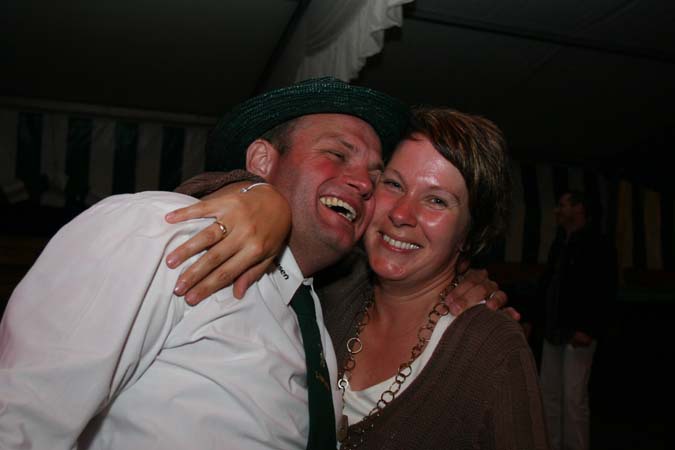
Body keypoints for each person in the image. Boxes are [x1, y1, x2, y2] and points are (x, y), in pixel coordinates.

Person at [0, 78, 500, 449]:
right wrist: (251, 194)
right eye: (337, 154)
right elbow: (21, 416)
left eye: (376, 173)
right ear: (262, 161)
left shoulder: (316, 321)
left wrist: (465, 281)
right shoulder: (164, 231)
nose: (365, 183)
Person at [168, 107, 551, 449]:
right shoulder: (328, 287)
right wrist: (253, 192)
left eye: (437, 200)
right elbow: (181, 218)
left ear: (469, 233)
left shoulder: (492, 348)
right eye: (394, 184)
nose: (401, 214)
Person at [537, 190, 617, 450]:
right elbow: (549, 285)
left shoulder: (597, 243)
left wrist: (588, 328)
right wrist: (537, 321)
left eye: (563, 205)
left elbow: (604, 290)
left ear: (579, 208)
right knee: (549, 394)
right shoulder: (561, 241)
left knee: (573, 398)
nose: (557, 211)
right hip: (554, 329)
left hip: (578, 332)